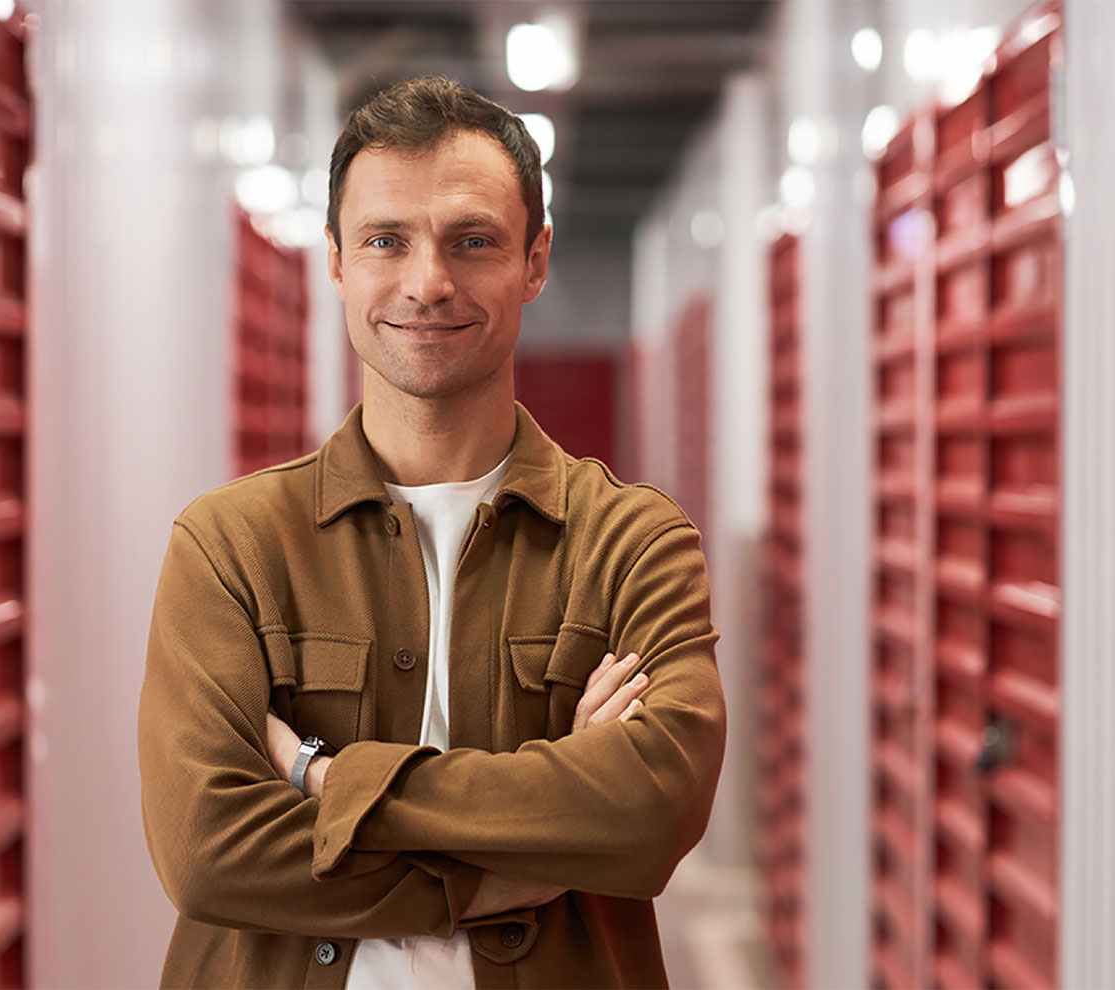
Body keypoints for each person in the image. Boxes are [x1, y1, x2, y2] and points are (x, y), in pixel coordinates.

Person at [137, 75, 726, 989]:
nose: (427, 282)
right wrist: (506, 870)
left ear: (535, 260)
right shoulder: (231, 547)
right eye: (385, 240)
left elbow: (651, 810)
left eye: (472, 241)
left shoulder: (632, 545)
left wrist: (326, 780)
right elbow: (207, 849)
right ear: (334, 260)